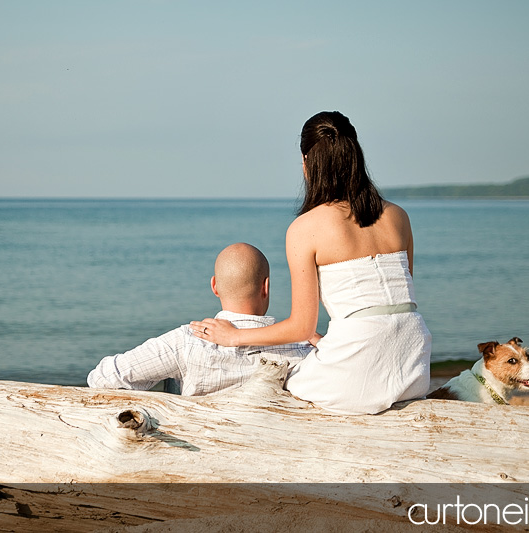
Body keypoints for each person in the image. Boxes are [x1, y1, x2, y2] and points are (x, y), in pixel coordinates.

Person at [191, 111, 431, 414]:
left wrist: (234, 336)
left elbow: (301, 326)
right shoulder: (398, 216)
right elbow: (393, 305)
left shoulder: (306, 229)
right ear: (355, 156)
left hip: (362, 366)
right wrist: (331, 340)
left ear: (307, 163)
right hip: (414, 363)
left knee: (284, 388)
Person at [87, 243, 311, 395]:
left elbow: (103, 379)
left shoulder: (187, 342)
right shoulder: (302, 352)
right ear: (266, 286)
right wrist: (313, 337)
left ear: (214, 286)